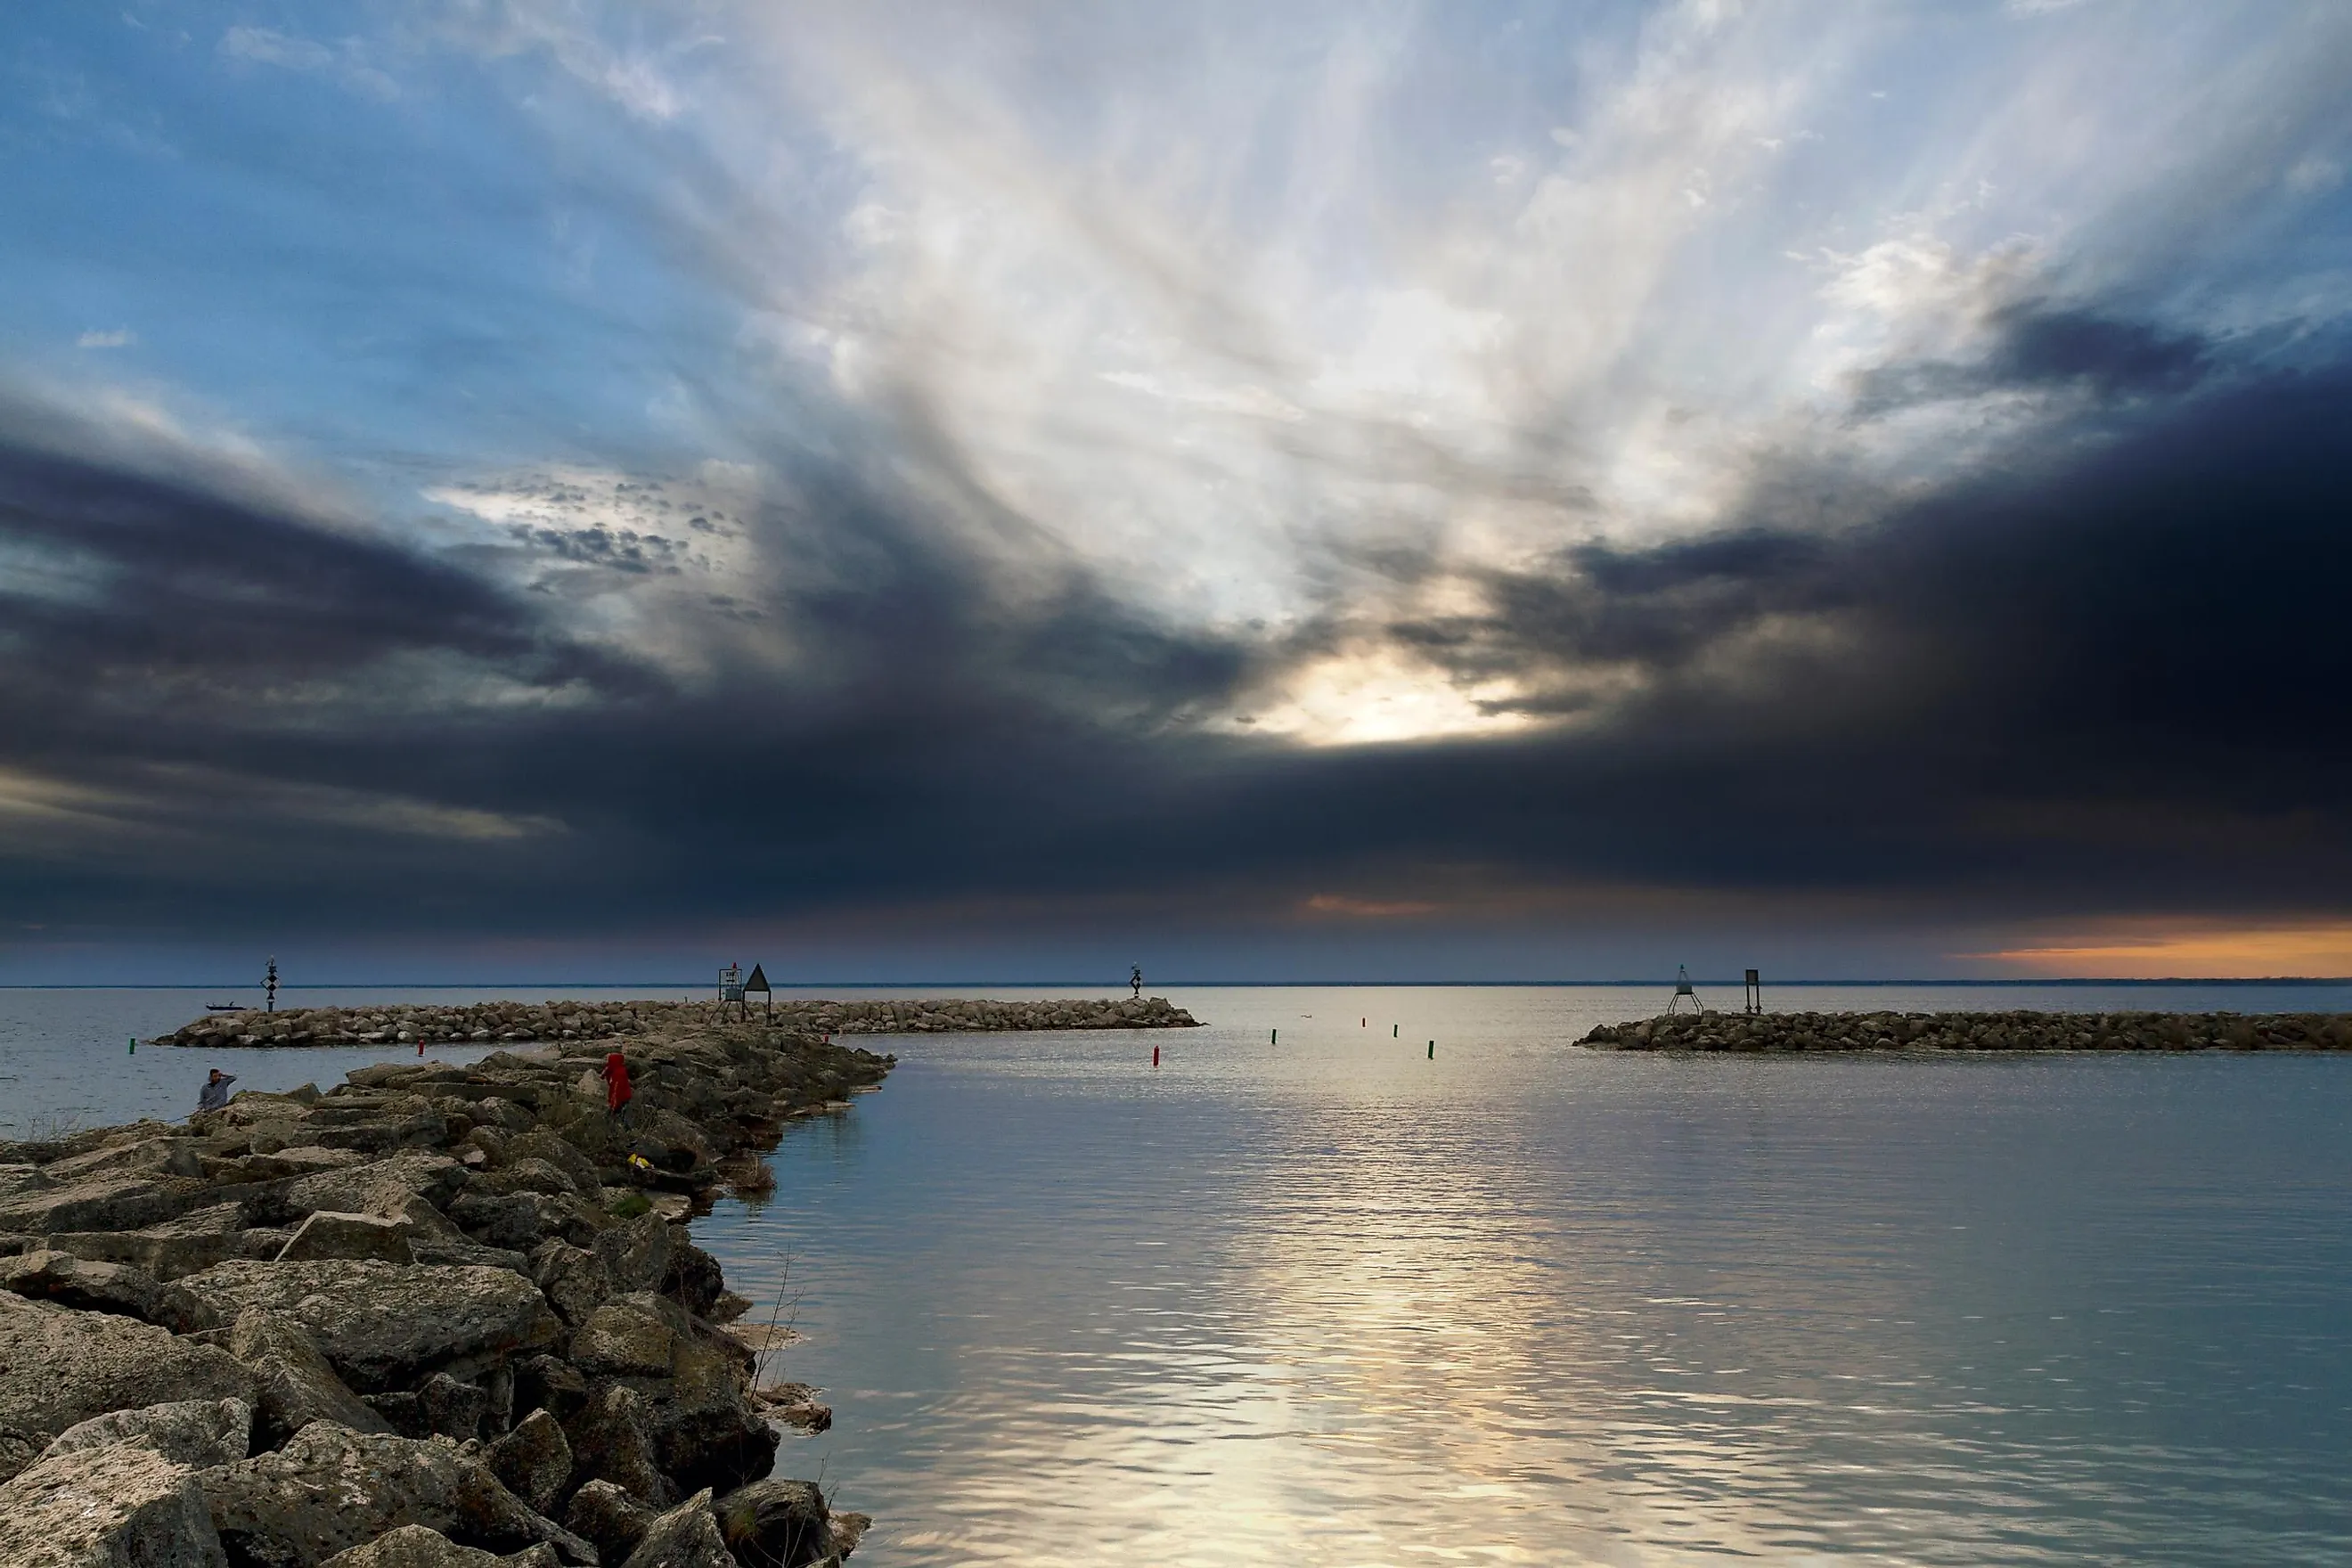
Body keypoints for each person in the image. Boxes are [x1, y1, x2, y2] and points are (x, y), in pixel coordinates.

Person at [601, 1052, 633, 1120]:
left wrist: (613, 1106)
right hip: (621, 1096)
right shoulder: (616, 1068)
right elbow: (608, 1068)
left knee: (619, 1116)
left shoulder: (618, 1074)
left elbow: (617, 1092)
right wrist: (604, 1074)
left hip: (622, 1099)